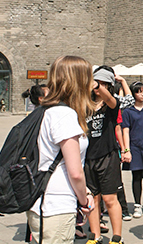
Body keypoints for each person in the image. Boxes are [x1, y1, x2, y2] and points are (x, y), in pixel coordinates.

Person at [26, 56, 95, 244]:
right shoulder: (65, 115)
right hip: (56, 206)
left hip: (41, 201)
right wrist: (85, 199)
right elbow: (75, 172)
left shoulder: (46, 110)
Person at [85, 67, 125, 244]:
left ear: (109, 86)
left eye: (103, 84)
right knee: (92, 198)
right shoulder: (85, 104)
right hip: (88, 157)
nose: (98, 87)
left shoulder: (112, 104)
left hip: (108, 156)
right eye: (96, 83)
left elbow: (110, 99)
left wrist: (97, 86)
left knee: (109, 198)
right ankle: (95, 235)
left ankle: (116, 237)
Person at [121, 81, 143, 219]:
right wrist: (126, 150)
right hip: (135, 147)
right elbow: (126, 131)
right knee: (136, 176)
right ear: (133, 93)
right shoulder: (128, 112)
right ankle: (137, 205)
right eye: (139, 91)